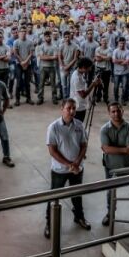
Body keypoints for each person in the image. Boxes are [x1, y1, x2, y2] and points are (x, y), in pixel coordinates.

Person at [44, 98, 92, 238]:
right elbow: (52, 150)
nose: (72, 111)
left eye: (74, 109)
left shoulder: (79, 125)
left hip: (77, 169)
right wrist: (68, 164)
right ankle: (49, 223)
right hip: (59, 170)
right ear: (62, 109)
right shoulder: (53, 127)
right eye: (69, 108)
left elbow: (84, 145)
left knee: (77, 194)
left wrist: (77, 162)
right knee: (54, 196)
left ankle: (79, 217)